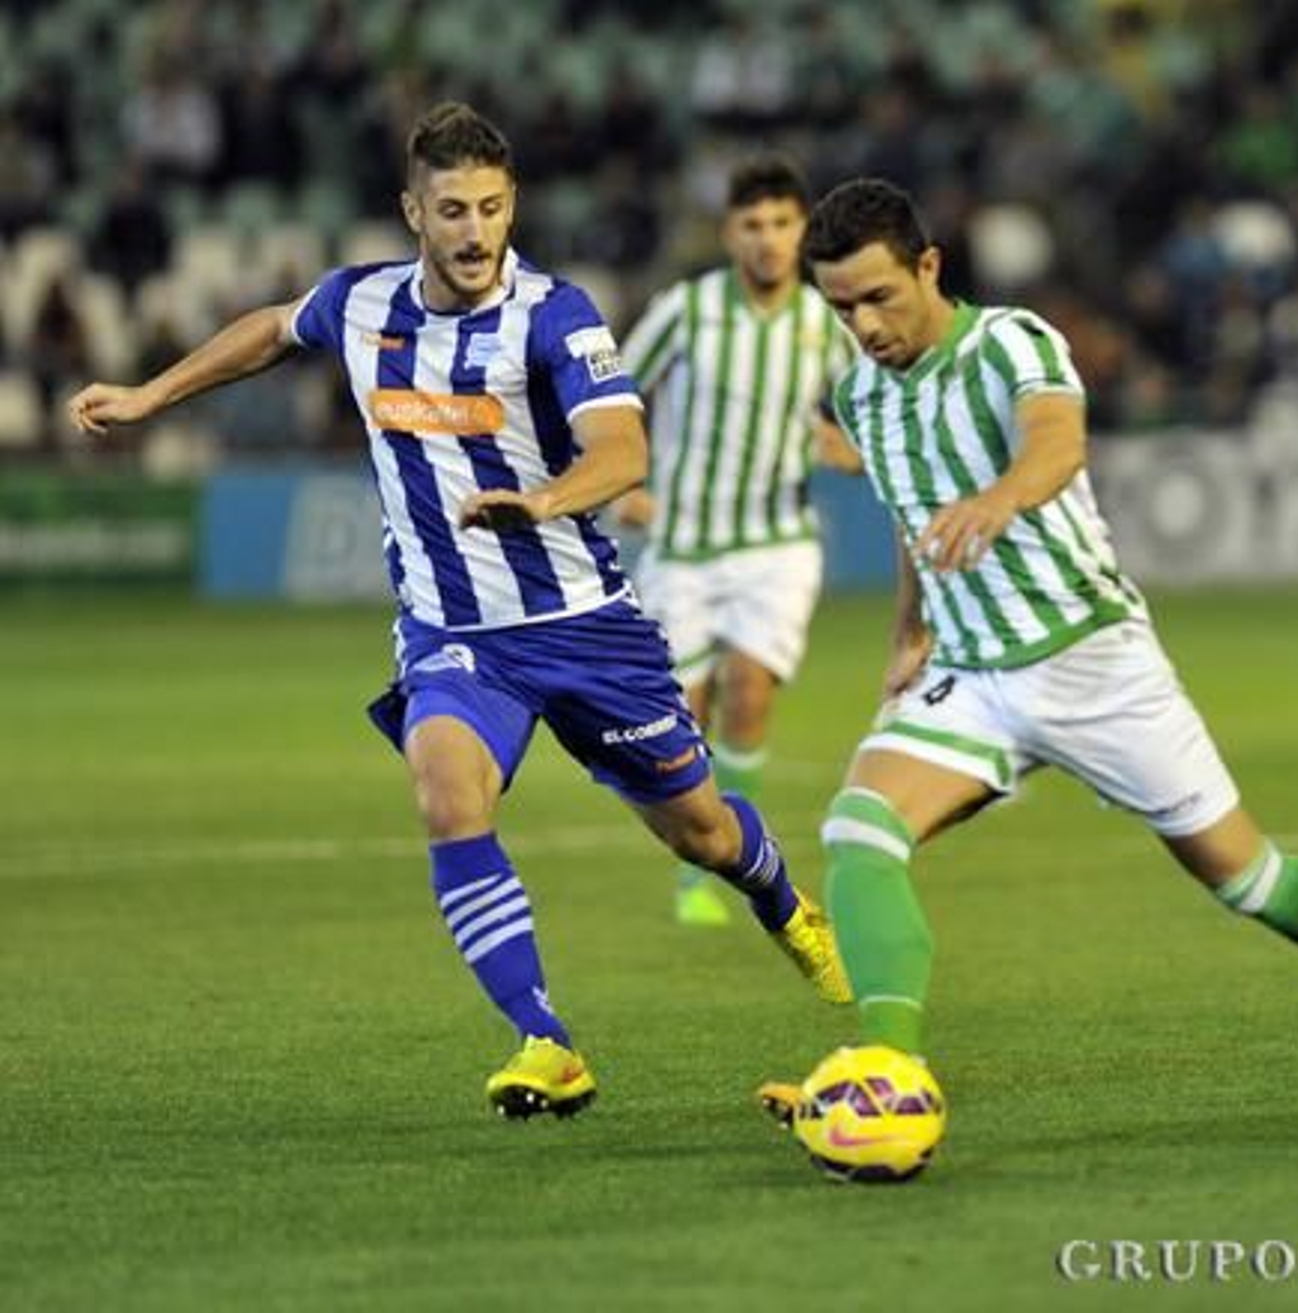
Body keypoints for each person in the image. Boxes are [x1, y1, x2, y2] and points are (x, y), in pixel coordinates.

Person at [67, 102, 849, 1122]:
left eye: (490, 207)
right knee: (446, 794)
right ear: (412, 213)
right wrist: (147, 396)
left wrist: (548, 496)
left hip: (584, 627)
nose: (475, 231)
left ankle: (785, 901)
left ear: (511, 204)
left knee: (701, 832)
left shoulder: (556, 315)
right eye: (452, 211)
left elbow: (624, 450)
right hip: (452, 633)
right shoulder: (360, 304)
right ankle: (546, 1039)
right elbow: (269, 328)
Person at [757, 179, 1298, 1166]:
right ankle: (886, 1067)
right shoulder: (859, 392)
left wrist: (1002, 501)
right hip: (974, 672)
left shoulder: (1011, 343)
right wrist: (910, 626)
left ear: (928, 265)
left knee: (1246, 878)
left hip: (1095, 663)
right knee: (858, 825)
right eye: (840, 306)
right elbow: (908, 508)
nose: (863, 325)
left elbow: (1058, 441)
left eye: (879, 297)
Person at [618, 155, 861, 926]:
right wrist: (621, 484)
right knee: (682, 718)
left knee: (749, 689)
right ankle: (704, 860)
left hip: (776, 542)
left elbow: (875, 416)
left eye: (782, 224)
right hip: (683, 543)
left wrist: (849, 451)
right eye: (752, 225)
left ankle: (739, 868)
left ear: (803, 231)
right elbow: (613, 394)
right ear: (729, 233)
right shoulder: (686, 310)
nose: (768, 240)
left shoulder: (827, 323)